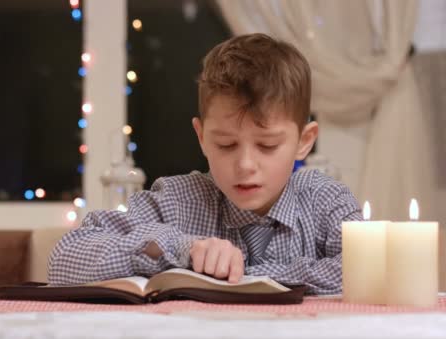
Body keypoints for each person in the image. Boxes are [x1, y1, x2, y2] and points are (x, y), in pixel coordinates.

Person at [48, 33, 362, 295]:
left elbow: (361, 270)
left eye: (267, 145)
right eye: (226, 144)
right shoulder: (177, 200)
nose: (245, 164)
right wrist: (181, 248)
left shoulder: (325, 201)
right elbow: (64, 259)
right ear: (201, 137)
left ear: (304, 141)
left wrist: (246, 276)